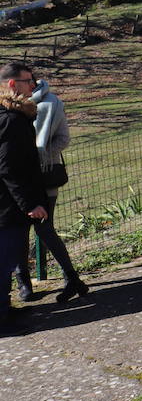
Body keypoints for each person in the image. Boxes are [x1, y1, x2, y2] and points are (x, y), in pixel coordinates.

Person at [13, 73, 86, 303]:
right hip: (19, 179)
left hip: (46, 175)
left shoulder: (52, 103)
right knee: (19, 231)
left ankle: (71, 279)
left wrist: (41, 155)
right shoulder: (12, 108)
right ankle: (23, 282)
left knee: (45, 229)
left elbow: (64, 139)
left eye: (30, 80)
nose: (30, 84)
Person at [0, 63, 50, 336]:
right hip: (7, 208)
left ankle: (5, 308)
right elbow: (8, 168)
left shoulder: (12, 117)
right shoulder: (10, 120)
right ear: (12, 85)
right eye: (28, 80)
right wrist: (29, 204)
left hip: (8, 205)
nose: (34, 86)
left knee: (6, 261)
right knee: (4, 261)